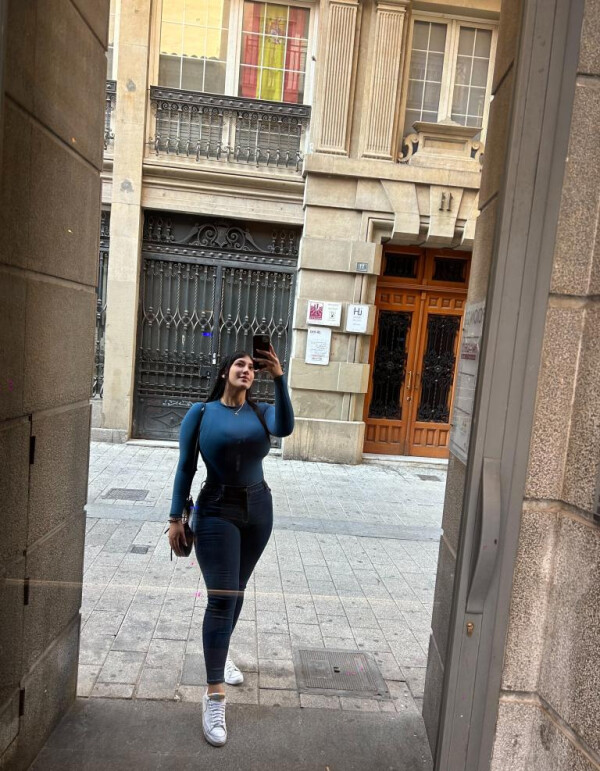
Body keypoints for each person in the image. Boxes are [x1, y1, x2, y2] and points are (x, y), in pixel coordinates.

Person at [168, 345, 294, 747]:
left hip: (258, 510)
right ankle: (214, 696)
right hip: (216, 510)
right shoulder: (201, 414)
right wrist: (175, 517)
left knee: (236, 592)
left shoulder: (261, 412)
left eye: (252, 367)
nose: (247, 369)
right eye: (240, 364)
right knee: (222, 598)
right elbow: (185, 467)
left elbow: (285, 427)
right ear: (225, 372)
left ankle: (219, 655)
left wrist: (279, 377)